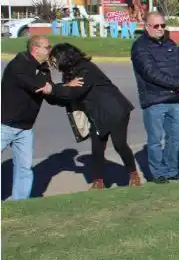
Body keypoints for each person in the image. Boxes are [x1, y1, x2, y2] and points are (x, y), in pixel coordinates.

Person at [47, 43, 141, 189]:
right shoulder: (69, 74)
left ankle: (133, 174)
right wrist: (49, 94)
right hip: (96, 114)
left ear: (64, 57)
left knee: (120, 144)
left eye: (54, 59)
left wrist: (54, 89)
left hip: (115, 110)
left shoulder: (86, 68)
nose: (52, 63)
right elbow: (67, 96)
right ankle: (98, 181)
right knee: (97, 149)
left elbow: (76, 92)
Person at [131, 11, 179, 183]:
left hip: (173, 99)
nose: (160, 29)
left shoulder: (170, 43)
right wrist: (176, 83)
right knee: (155, 140)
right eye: (156, 26)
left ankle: (171, 170)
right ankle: (158, 173)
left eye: (163, 25)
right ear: (146, 27)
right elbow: (150, 73)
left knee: (175, 137)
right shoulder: (140, 47)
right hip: (154, 100)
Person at [0, 36, 53, 200]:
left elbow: (51, 94)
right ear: (35, 49)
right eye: (47, 47)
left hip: (25, 128)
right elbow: (36, 87)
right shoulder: (18, 64)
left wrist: (63, 90)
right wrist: (50, 88)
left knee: (24, 168)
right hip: (4, 124)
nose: (50, 51)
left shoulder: (44, 68)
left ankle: (20, 203)